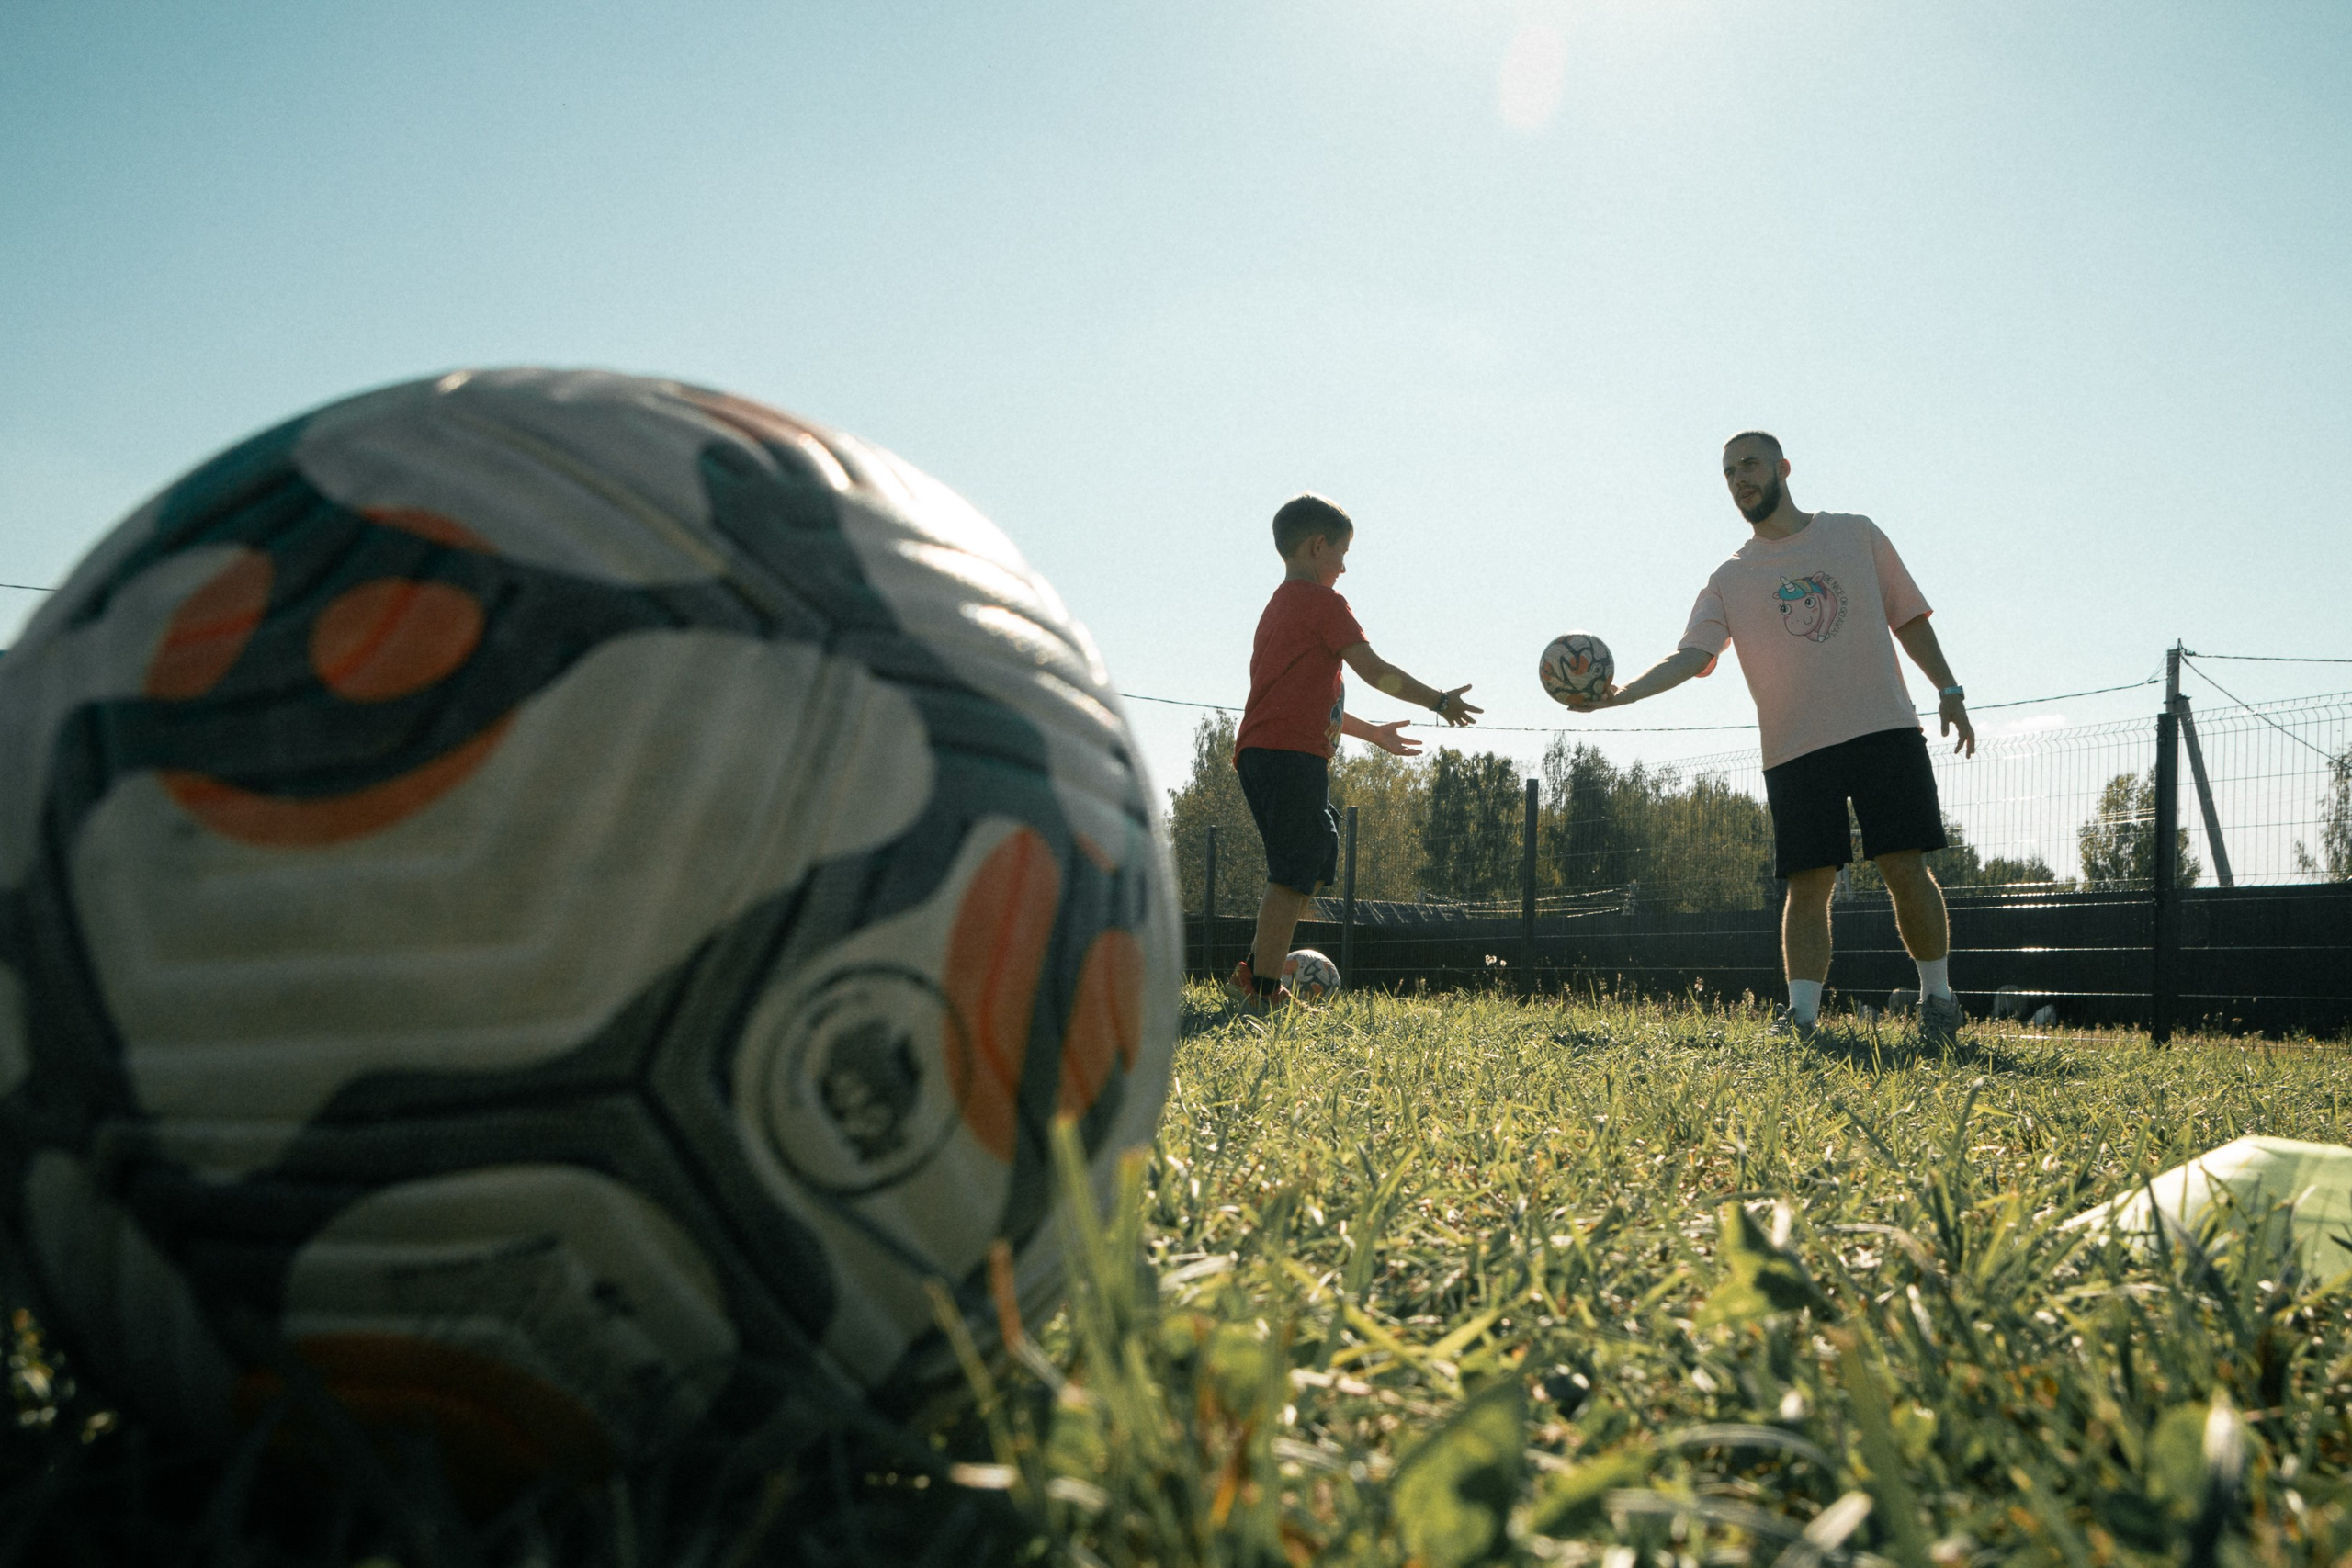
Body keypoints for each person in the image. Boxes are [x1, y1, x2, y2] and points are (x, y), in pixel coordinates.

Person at [1564, 432, 1975, 1043]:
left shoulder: (1855, 533)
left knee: (1903, 866)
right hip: (1795, 748)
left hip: (1882, 728)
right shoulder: (1730, 578)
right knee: (1808, 883)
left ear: (1783, 467)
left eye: (1750, 465)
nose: (1739, 480)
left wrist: (1948, 689)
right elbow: (1690, 656)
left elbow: (1908, 615)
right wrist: (1618, 695)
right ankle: (1803, 1019)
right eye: (1729, 472)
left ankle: (1938, 1001)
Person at [1229, 493, 1480, 1010]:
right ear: (1319, 546)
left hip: (1270, 751)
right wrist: (1436, 700)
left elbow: (1305, 702)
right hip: (1287, 755)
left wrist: (1373, 735)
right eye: (1343, 552)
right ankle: (1263, 991)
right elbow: (1372, 669)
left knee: (1314, 859)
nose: (1345, 566)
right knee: (1293, 869)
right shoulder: (1323, 604)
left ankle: (1254, 973)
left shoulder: (1279, 608)